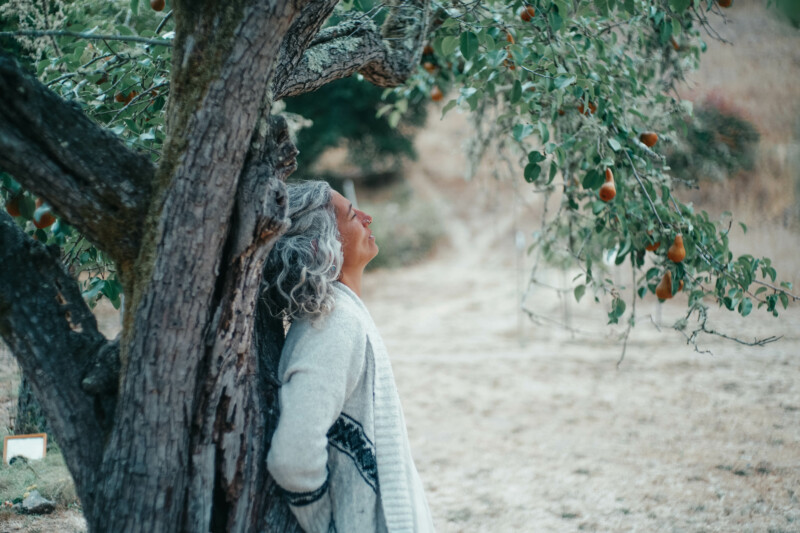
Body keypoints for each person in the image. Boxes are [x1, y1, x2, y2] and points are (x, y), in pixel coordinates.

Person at [264, 180, 435, 533]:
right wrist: (324, 522)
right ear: (321, 243)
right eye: (354, 215)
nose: (368, 217)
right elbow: (293, 459)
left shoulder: (339, 315)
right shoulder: (330, 325)